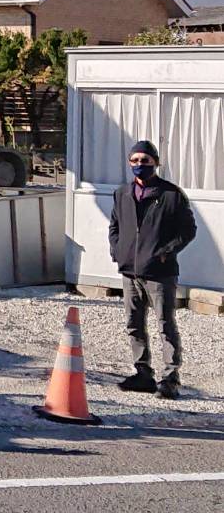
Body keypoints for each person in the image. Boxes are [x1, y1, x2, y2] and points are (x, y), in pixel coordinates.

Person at [108, 140, 197, 399]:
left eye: (145, 161)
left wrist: (165, 253)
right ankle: (143, 373)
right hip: (129, 271)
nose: (139, 165)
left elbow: (188, 230)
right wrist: (117, 250)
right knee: (134, 324)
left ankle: (170, 378)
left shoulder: (171, 195)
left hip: (160, 273)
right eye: (134, 161)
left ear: (156, 162)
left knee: (165, 324)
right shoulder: (122, 193)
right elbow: (114, 226)